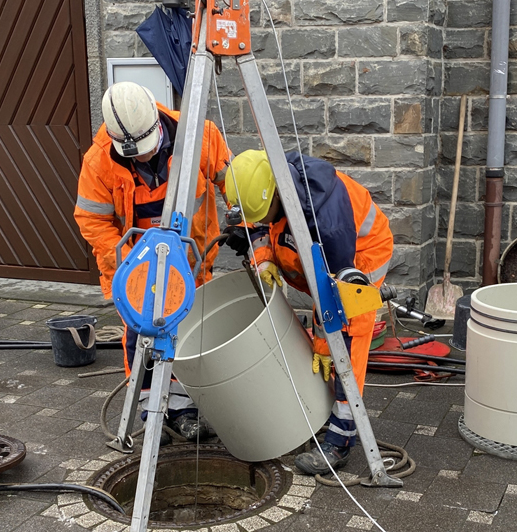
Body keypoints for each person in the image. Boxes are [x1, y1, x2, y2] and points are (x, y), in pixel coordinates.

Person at [75, 82, 230, 439]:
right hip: (136, 269)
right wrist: (134, 266)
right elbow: (92, 221)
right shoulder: (98, 162)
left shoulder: (200, 137)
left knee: (187, 335)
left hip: (189, 264)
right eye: (135, 156)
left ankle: (184, 410)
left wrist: (249, 228)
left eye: (147, 151)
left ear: (157, 125)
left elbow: (232, 183)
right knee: (141, 339)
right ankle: (150, 411)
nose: (142, 160)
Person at [225, 149, 393, 475]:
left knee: (346, 337)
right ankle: (320, 405)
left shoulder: (328, 225)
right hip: (317, 248)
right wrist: (264, 259)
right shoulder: (267, 175)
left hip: (358, 259)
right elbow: (255, 222)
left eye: (264, 214)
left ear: (277, 195)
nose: (262, 221)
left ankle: (342, 437)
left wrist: (324, 344)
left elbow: (332, 297)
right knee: (327, 336)